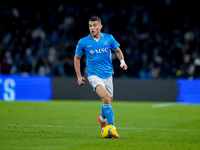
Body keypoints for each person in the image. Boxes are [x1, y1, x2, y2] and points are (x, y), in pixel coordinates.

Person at [74, 16, 128, 138]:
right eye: (90, 26)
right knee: (106, 97)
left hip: (108, 74)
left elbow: (118, 50)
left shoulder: (108, 38)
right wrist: (79, 76)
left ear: (100, 27)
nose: (92, 28)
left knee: (108, 101)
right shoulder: (83, 42)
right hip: (93, 75)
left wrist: (122, 62)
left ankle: (102, 118)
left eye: (94, 25)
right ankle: (112, 128)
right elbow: (77, 58)